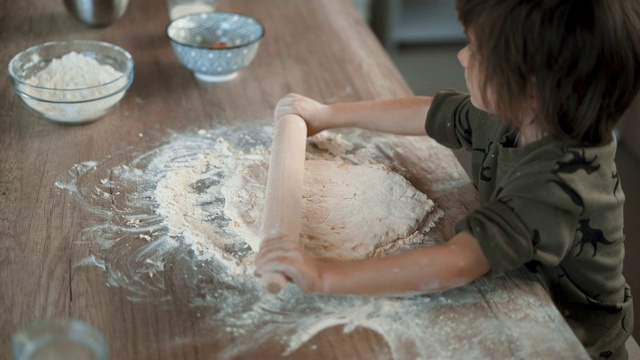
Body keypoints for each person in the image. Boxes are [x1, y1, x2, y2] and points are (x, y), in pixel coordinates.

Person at [254, 0, 640, 358]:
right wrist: (329, 113)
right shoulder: (522, 114)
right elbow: (428, 113)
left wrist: (323, 274)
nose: (460, 56)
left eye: (476, 51)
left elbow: (458, 262)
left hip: (574, 337)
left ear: (533, 88)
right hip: (523, 286)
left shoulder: (554, 189)